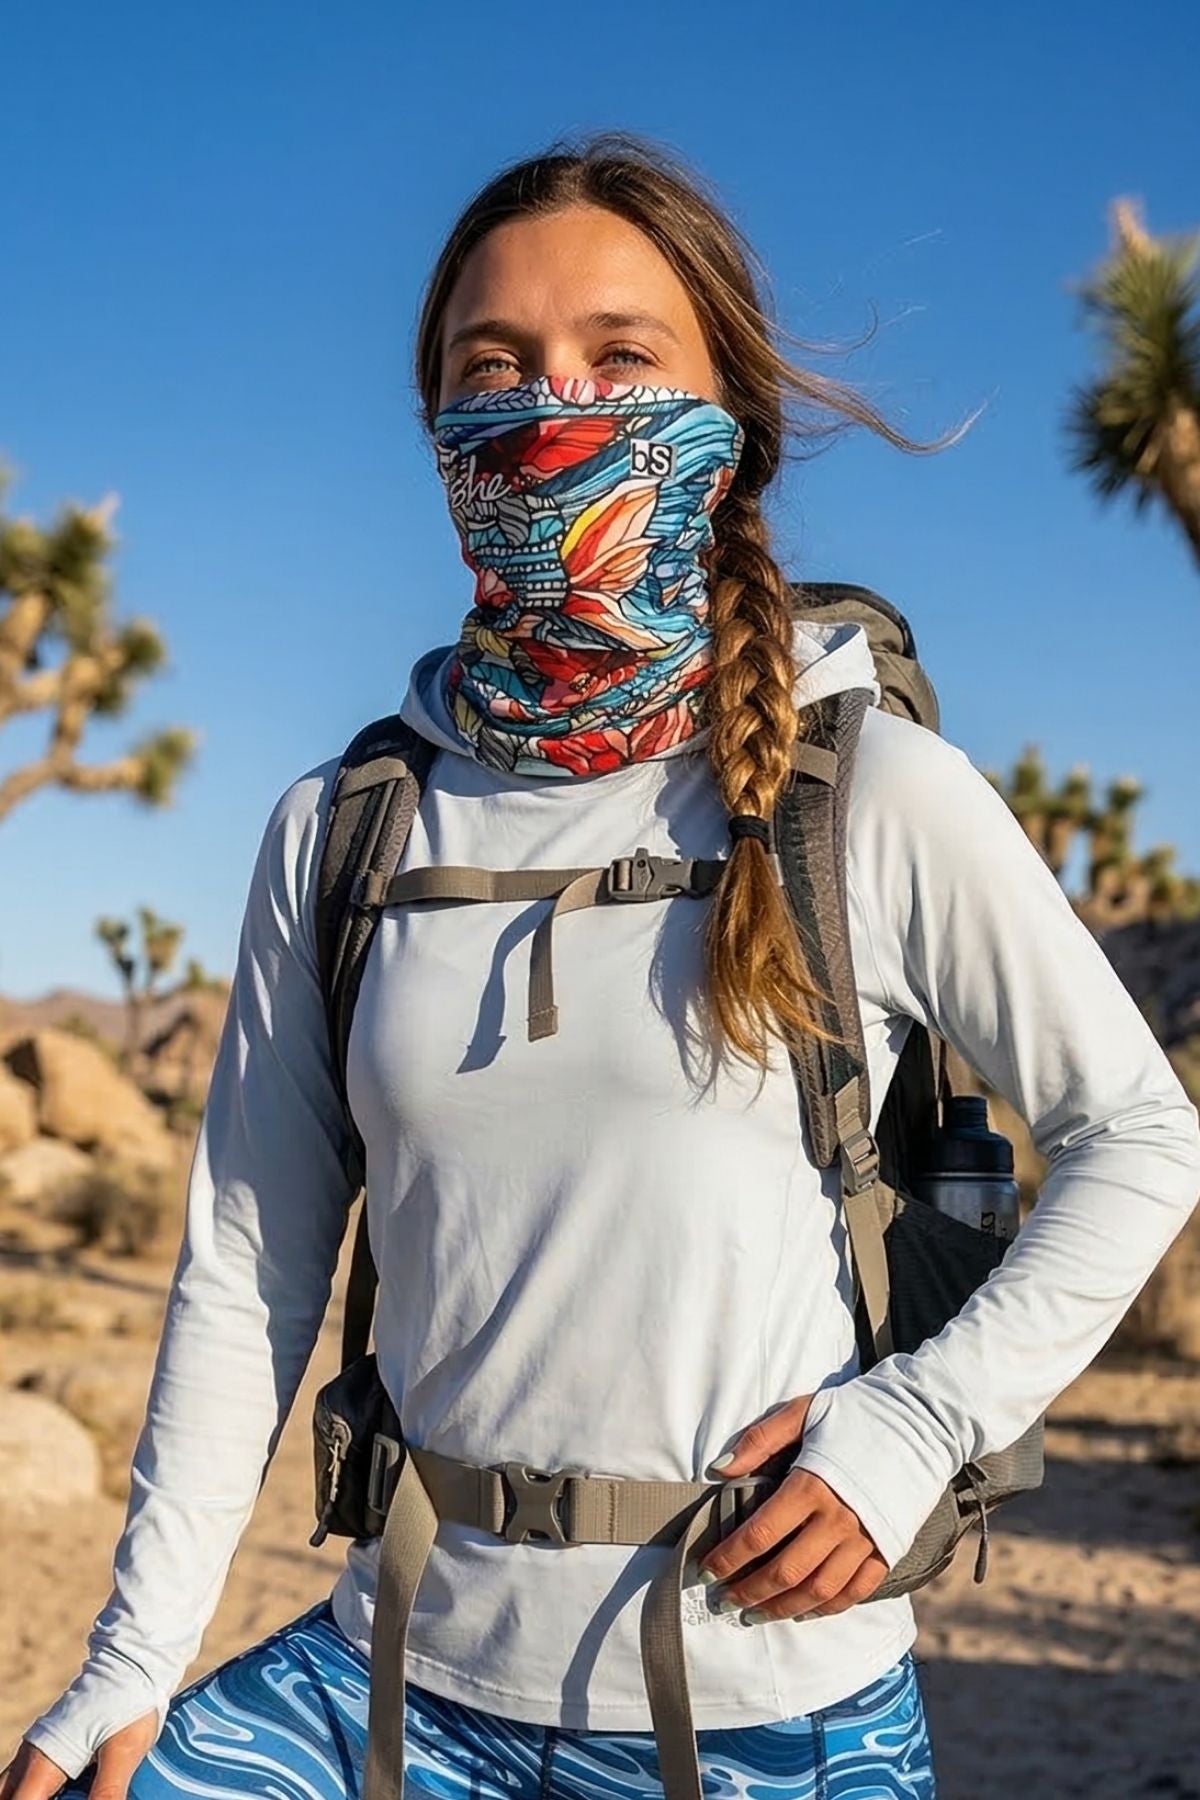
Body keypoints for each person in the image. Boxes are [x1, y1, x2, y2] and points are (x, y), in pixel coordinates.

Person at [5, 131, 1200, 1800]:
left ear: (730, 426)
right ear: (437, 433)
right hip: (399, 1687)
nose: (552, 407)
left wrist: (914, 1431)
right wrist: (128, 1661)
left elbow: (1140, 1132)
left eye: (618, 357)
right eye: (494, 369)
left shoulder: (862, 793)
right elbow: (245, 1272)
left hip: (779, 1713)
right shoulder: (345, 828)